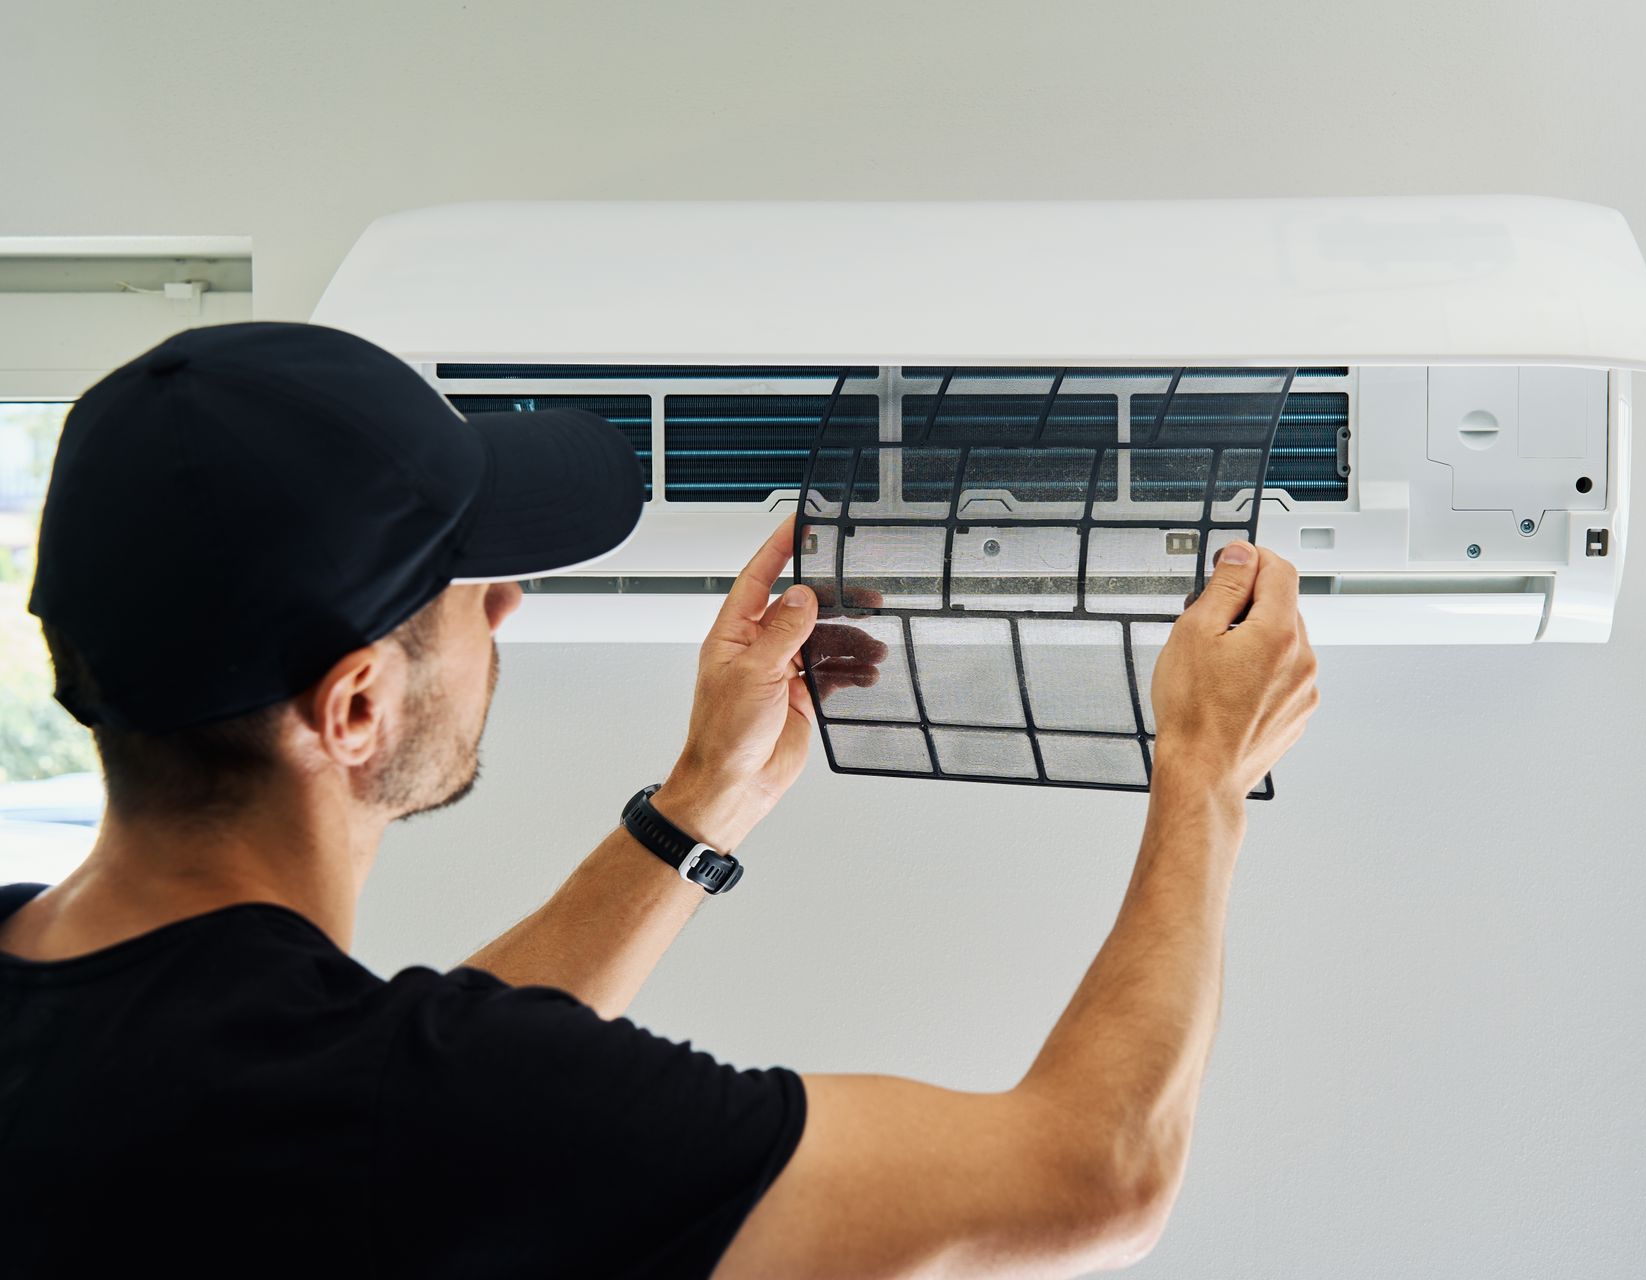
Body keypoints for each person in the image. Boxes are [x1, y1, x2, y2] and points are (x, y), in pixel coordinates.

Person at [0, 322, 1318, 1278]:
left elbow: (389, 1099)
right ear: (355, 709)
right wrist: (1204, 776)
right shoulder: (408, 1111)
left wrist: (702, 806)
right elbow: (1092, 1180)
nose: (506, 602)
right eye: (473, 586)